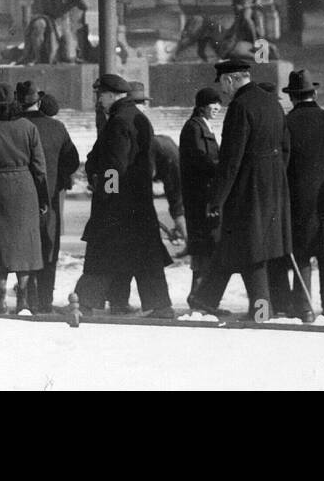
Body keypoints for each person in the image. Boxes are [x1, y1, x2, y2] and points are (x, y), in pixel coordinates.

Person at [191, 58, 292, 321]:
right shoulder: (272, 102)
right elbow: (285, 147)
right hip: (273, 185)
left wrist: (216, 199)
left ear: (229, 79)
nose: (223, 92)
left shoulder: (240, 106)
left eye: (223, 85)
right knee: (238, 243)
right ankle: (204, 298)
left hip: (247, 187)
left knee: (252, 247)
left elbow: (231, 158)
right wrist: (273, 176)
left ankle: (261, 310)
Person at [72, 74, 173, 318]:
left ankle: (84, 303)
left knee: (102, 254)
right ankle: (161, 306)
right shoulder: (138, 118)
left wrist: (107, 196)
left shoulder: (118, 122)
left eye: (101, 95)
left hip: (118, 204)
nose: (99, 100)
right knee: (144, 257)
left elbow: (113, 166)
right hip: (137, 200)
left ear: (111, 95)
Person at [104, 82, 188, 313]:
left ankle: (150, 305)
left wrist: (109, 191)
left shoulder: (128, 125)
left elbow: (114, 167)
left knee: (140, 254)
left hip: (131, 204)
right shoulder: (140, 126)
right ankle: (126, 302)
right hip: (135, 203)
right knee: (134, 252)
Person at [277, 69, 324, 323]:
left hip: (296, 198)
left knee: (301, 252)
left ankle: (304, 307)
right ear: (315, 93)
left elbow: (281, 163)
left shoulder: (285, 124)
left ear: (292, 97)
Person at [16, 83, 79, 312]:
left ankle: (24, 297)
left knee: (21, 250)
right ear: (38, 101)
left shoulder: (13, 125)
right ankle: (44, 300)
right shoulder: (57, 127)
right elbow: (71, 160)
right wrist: (60, 178)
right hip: (50, 198)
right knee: (48, 249)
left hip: (18, 200)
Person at [0, 84, 48, 314]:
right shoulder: (28, 127)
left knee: (0, 247)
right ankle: (22, 300)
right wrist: (42, 197)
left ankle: (0, 300)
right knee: (25, 247)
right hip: (25, 187)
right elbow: (40, 167)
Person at [180, 87, 222, 309]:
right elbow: (199, 158)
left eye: (218, 104)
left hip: (204, 195)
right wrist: (222, 168)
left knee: (206, 246)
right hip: (200, 197)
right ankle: (198, 297)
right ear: (202, 106)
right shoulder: (193, 127)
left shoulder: (202, 126)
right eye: (213, 104)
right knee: (203, 246)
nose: (217, 108)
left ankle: (199, 295)